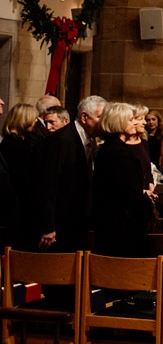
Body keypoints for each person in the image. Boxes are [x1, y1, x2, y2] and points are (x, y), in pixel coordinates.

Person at [34, 95, 106, 252]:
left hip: (78, 220)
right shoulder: (62, 139)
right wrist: (48, 226)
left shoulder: (90, 140)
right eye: (100, 117)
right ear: (84, 117)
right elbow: (48, 183)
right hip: (61, 223)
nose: (104, 122)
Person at [92, 103, 155, 257]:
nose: (135, 123)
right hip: (122, 228)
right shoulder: (119, 154)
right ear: (118, 121)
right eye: (131, 119)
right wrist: (149, 207)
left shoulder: (111, 149)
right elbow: (130, 194)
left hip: (114, 224)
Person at [0, 103, 38, 249]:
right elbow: (23, 180)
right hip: (15, 210)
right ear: (24, 119)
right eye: (33, 119)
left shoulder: (17, 142)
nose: (36, 122)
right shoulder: (15, 145)